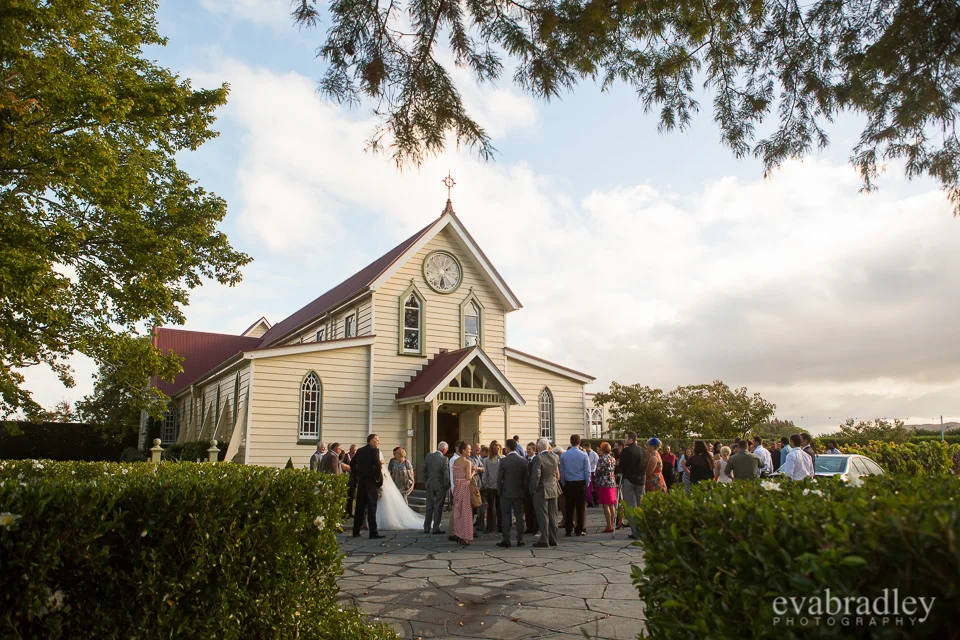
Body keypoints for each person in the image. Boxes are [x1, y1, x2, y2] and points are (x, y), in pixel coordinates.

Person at [351, 433, 384, 539]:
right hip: (371, 482)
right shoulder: (374, 451)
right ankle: (373, 532)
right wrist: (378, 479)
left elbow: (352, 463)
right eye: (377, 440)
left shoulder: (360, 451)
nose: (378, 442)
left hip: (361, 482)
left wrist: (357, 474)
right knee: (372, 506)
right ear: (372, 441)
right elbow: (377, 466)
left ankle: (356, 530)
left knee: (359, 507)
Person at [530, 438, 560, 547]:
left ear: (538, 447)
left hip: (542, 488)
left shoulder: (538, 458)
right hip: (553, 487)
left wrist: (533, 489)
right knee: (553, 515)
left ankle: (544, 539)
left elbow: (536, 476)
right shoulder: (555, 457)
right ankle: (553, 538)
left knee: (543, 515)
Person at [497, 439, 527, 548]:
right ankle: (520, 539)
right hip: (519, 492)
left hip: (506, 492)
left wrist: (499, 491)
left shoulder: (504, 461)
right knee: (519, 516)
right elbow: (525, 479)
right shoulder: (523, 461)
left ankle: (506, 539)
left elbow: (500, 478)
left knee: (506, 516)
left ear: (508, 448)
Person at [616, 432, 646, 540]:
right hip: (640, 481)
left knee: (631, 506)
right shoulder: (642, 451)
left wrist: (619, 474)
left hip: (629, 479)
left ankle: (635, 532)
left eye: (626, 438)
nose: (625, 440)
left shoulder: (626, 451)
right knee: (641, 505)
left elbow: (622, 466)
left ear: (631, 439)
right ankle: (644, 530)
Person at [559, 434, 591, 537]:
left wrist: (564, 482)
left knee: (569, 507)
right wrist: (587, 482)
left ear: (570, 441)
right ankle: (579, 528)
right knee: (580, 507)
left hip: (569, 482)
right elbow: (587, 471)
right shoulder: (584, 455)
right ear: (579, 442)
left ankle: (568, 528)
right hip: (580, 482)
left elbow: (562, 471)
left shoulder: (564, 455)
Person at [422, 442, 450, 534]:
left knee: (429, 506)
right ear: (444, 450)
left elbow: (424, 469)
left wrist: (426, 481)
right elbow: (445, 474)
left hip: (429, 483)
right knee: (438, 506)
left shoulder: (428, 456)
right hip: (440, 484)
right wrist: (447, 485)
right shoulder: (444, 459)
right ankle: (436, 527)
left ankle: (426, 527)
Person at [452, 442, 475, 546]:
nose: (470, 451)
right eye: (468, 449)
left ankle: (458, 534)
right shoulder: (467, 462)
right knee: (466, 512)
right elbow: (468, 477)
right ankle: (465, 536)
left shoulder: (455, 462)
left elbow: (454, 476)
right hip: (465, 487)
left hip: (457, 486)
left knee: (458, 512)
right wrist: (474, 471)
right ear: (463, 450)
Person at [478, 441, 503, 534]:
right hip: (490, 487)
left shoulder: (503, 459)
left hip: (500, 487)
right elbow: (485, 474)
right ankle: (490, 526)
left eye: (498, 448)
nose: (496, 450)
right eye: (494, 448)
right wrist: (486, 485)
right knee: (490, 508)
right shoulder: (487, 460)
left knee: (500, 508)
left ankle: (500, 526)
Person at [595, 442, 618, 533]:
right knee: (611, 504)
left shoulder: (602, 459)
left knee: (605, 504)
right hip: (612, 482)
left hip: (604, 482)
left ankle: (609, 525)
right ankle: (612, 523)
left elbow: (599, 471)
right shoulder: (612, 458)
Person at [523, 442, 539, 535]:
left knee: (535, 509)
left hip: (534, 488)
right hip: (526, 488)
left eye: (530, 449)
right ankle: (529, 527)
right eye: (527, 449)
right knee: (527, 508)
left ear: (534, 450)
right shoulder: (524, 460)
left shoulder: (536, 460)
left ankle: (536, 527)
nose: (528, 451)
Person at [584, 441, 599, 507]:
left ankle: (596, 502)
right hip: (588, 472)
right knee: (589, 488)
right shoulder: (585, 454)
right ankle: (589, 501)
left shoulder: (594, 454)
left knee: (594, 488)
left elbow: (597, 463)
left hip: (592, 471)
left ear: (587, 447)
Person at [344, 444, 357, 517]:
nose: (355, 452)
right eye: (354, 450)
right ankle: (345, 512)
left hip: (354, 478)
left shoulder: (356, 457)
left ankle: (350, 512)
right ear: (350, 449)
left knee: (351, 496)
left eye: (356, 450)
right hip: (348, 478)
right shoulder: (346, 456)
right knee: (347, 496)